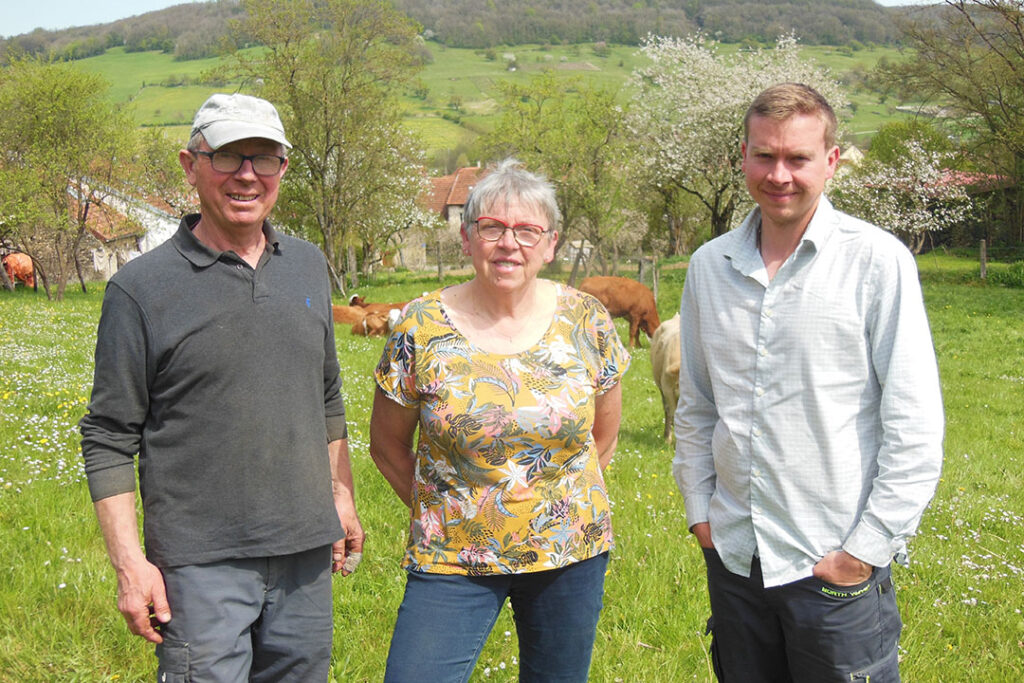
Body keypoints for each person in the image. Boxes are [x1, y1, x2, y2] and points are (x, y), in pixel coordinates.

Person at [79, 93, 364, 682]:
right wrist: (130, 564)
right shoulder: (140, 290)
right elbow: (108, 436)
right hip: (199, 564)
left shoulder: (307, 266)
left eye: (264, 159)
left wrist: (341, 495)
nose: (247, 175)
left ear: (283, 170)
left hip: (305, 553)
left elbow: (327, 395)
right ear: (190, 164)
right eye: (228, 157)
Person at [673, 82, 944, 682]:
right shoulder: (708, 268)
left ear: (831, 161)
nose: (780, 174)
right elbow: (696, 406)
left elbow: (915, 423)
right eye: (764, 155)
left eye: (797, 158)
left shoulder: (877, 261)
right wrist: (701, 515)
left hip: (833, 563)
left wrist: (865, 550)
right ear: (741, 155)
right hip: (737, 559)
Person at [369, 158, 630, 683]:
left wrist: (548, 505)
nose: (509, 243)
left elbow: (604, 434)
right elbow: (386, 445)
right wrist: (452, 511)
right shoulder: (420, 325)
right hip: (453, 554)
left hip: (568, 552)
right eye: (492, 227)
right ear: (467, 240)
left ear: (551, 244)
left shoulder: (587, 320)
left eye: (528, 230)